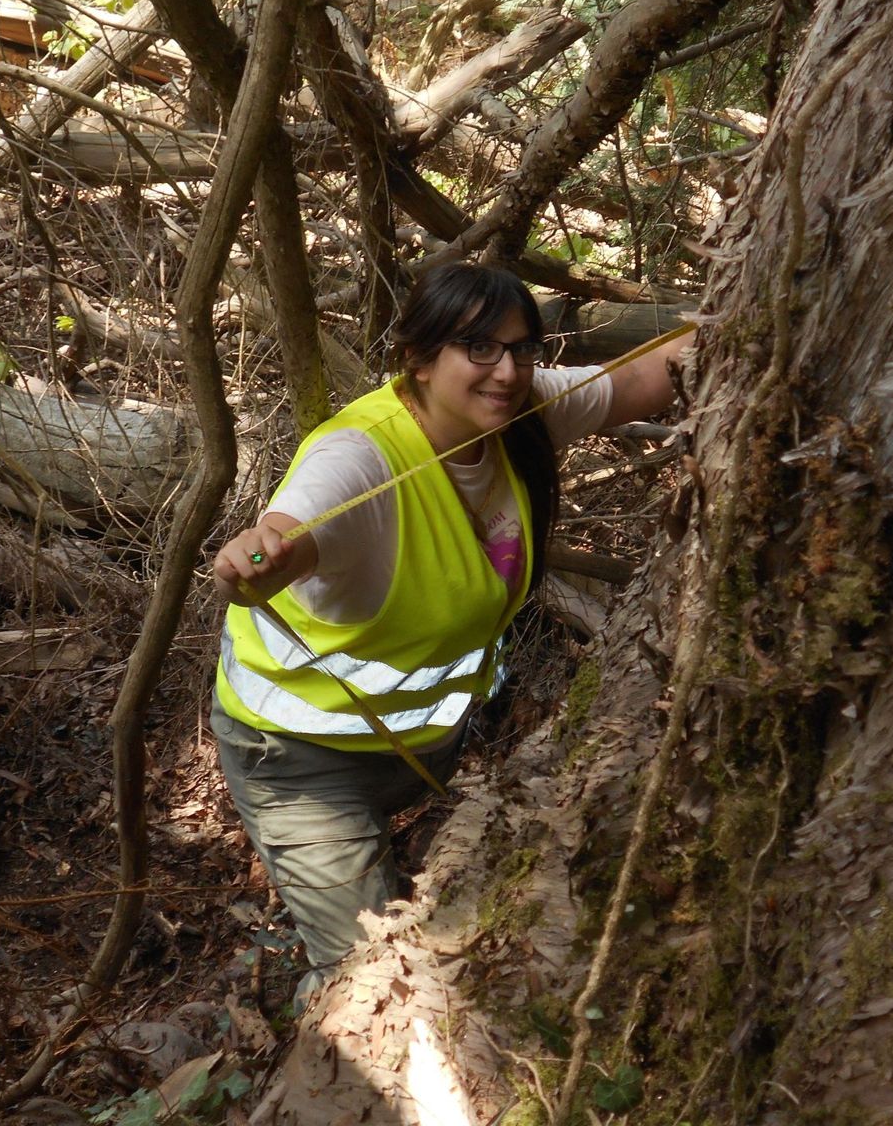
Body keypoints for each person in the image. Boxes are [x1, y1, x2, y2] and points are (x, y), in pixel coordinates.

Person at [209, 262, 677, 1000]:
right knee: (364, 985)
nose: (507, 370)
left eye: (521, 348)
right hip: (298, 763)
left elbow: (640, 380)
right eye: (479, 348)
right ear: (419, 360)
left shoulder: (518, 414)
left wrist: (747, 318)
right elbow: (291, 528)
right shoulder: (359, 458)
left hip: (416, 749)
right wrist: (262, 557)